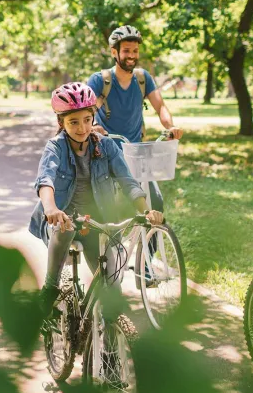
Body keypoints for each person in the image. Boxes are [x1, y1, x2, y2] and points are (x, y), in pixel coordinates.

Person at [28, 82, 164, 313]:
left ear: (93, 118)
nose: (81, 128)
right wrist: (51, 208)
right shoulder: (56, 147)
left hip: (94, 222)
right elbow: (46, 180)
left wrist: (145, 210)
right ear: (61, 123)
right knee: (65, 227)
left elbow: (127, 180)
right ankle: (51, 286)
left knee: (112, 292)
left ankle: (110, 346)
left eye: (86, 120)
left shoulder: (106, 146)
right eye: (73, 122)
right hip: (62, 219)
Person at [86, 25, 184, 213]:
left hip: (136, 153)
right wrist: (95, 125)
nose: (131, 55)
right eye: (126, 51)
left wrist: (171, 127)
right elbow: (88, 112)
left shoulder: (142, 78)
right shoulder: (101, 80)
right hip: (107, 153)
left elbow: (160, 106)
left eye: (135, 51)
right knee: (108, 209)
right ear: (114, 52)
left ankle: (151, 242)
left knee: (155, 204)